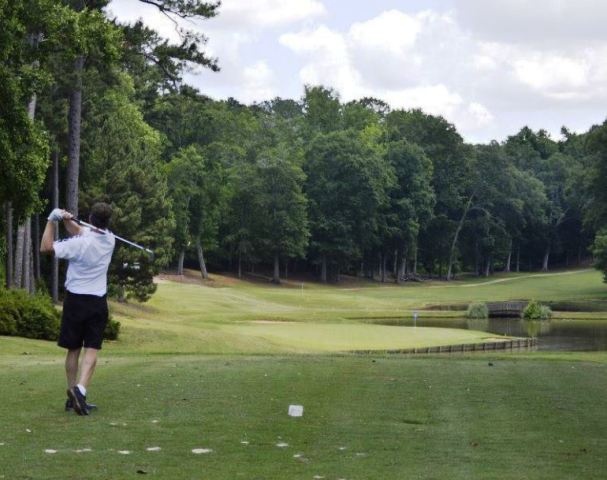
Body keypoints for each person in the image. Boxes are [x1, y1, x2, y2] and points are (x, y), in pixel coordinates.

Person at [40, 202, 115, 416]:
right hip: (97, 302)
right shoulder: (109, 239)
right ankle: (79, 392)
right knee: (91, 349)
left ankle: (74, 394)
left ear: (91, 218)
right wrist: (66, 220)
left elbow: (46, 247)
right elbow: (79, 229)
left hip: (75, 301)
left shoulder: (78, 244)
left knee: (73, 349)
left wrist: (51, 220)